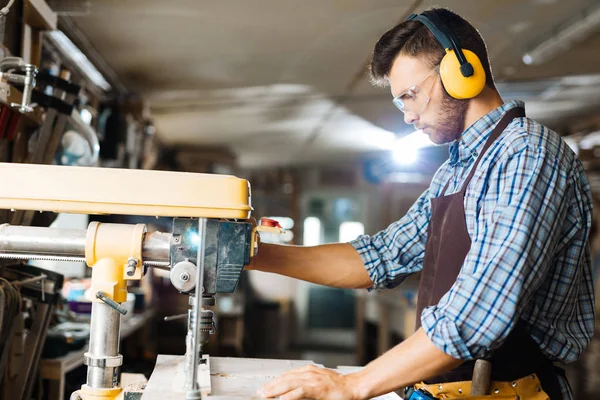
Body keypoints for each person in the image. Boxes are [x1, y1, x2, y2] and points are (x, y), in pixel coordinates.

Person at [246, 7, 594, 400]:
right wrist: (252, 255)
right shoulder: (455, 170)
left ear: (463, 73)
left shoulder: (527, 154)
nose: (408, 116)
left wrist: (354, 384)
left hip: (508, 391)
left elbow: (478, 312)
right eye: (400, 103)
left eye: (411, 95)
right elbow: (382, 256)